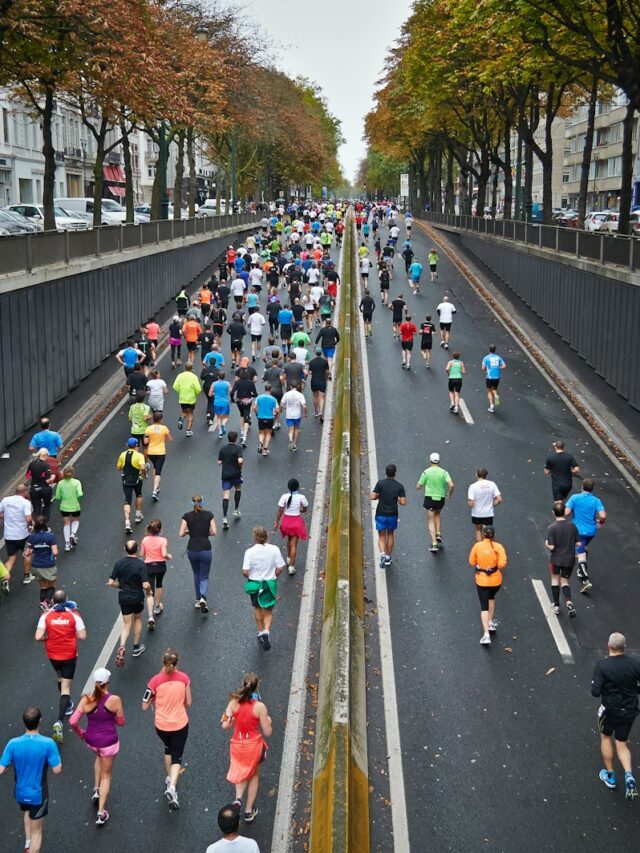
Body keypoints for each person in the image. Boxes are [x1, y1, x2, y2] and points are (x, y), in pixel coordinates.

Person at [0, 707, 62, 853]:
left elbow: (2, 769)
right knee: (37, 832)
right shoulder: (48, 744)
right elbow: (57, 769)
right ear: (40, 720)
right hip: (38, 795)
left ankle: (27, 844)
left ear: (24, 722)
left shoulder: (12, 743)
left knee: (27, 812)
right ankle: (32, 845)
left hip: (20, 793)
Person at [69, 668, 125, 826]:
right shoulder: (114, 700)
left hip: (92, 741)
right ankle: (101, 812)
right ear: (108, 683)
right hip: (108, 743)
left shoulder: (86, 699)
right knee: (107, 775)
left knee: (98, 757)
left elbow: (73, 721)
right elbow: (121, 722)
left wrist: (81, 733)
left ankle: (96, 789)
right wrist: (111, 717)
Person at [591, 632, 640, 800]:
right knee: (622, 743)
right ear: (624, 647)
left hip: (610, 710)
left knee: (605, 738)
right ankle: (629, 775)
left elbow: (595, 692)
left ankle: (610, 776)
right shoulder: (636, 664)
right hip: (630, 710)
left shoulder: (602, 666)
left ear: (608, 646)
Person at [34, 589, 86, 745]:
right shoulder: (73, 615)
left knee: (59, 676)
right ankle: (59, 721)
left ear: (52, 602)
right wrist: (69, 633)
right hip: (69, 654)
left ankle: (68, 705)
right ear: (67, 600)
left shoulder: (46, 616)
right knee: (66, 687)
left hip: (53, 654)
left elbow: (37, 637)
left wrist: (49, 637)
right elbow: (82, 636)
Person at [142, 649, 192, 811]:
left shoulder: (154, 682)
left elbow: (144, 705)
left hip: (161, 726)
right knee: (177, 757)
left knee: (168, 749)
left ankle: (170, 777)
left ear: (162, 662)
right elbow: (189, 702)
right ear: (177, 663)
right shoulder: (184, 679)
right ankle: (172, 788)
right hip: (180, 724)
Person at [221, 673, 272, 825]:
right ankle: (248, 811)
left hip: (237, 745)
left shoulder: (233, 703)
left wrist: (230, 719)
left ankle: (238, 799)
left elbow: (224, 725)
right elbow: (267, 732)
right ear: (257, 688)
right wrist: (268, 720)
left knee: (241, 771)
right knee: (253, 775)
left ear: (243, 685)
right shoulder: (260, 707)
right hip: (253, 746)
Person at [241, 527, 285, 651]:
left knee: (257, 607)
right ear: (267, 537)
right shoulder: (274, 549)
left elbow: (245, 571)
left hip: (255, 583)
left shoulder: (249, 552)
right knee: (268, 609)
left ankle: (260, 632)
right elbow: (281, 567)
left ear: (254, 537)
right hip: (269, 583)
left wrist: (251, 576)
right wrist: (274, 575)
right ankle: (266, 630)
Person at [108, 541, 151, 666]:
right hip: (137, 597)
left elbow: (111, 582)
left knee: (127, 623)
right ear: (137, 550)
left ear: (124, 549)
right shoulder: (141, 565)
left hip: (124, 597)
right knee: (137, 619)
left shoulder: (119, 563)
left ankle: (122, 646)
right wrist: (148, 591)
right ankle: (136, 647)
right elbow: (145, 584)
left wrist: (120, 586)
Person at [565, 478, 605, 593]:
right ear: (592, 489)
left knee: (580, 554)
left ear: (582, 486)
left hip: (578, 531)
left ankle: (585, 580)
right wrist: (600, 522)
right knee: (584, 547)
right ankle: (581, 570)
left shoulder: (575, 498)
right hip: (591, 532)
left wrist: (558, 513)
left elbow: (567, 512)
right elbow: (602, 515)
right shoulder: (596, 500)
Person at [468, 527, 507, 645]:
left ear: (484, 535)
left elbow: (471, 562)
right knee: (491, 597)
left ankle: (486, 635)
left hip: (482, 581)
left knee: (483, 606)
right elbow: (502, 563)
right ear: (493, 536)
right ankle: (490, 622)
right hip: (496, 581)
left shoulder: (477, 546)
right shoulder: (498, 547)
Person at [179, 496, 216, 612]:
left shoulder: (186, 516)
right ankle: (203, 598)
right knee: (204, 576)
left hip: (192, 549)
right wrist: (204, 532)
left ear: (191, 503)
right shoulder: (209, 515)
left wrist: (189, 531)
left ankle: (197, 598)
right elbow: (214, 532)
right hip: (205, 548)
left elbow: (181, 533)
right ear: (202, 502)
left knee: (196, 573)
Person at [545, 501, 579, 618]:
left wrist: (546, 543)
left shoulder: (552, 528)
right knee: (565, 581)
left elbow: (552, 546)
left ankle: (556, 605)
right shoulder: (572, 526)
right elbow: (578, 543)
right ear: (565, 512)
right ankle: (568, 601)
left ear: (553, 513)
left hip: (556, 560)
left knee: (555, 580)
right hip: (569, 560)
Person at [416, 452, 454, 553]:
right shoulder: (444, 472)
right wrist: (449, 493)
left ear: (430, 460)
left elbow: (418, 486)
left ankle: (434, 543)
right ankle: (438, 533)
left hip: (429, 497)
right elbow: (451, 484)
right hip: (440, 498)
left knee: (430, 520)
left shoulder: (426, 472)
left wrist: (423, 485)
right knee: (437, 513)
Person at [371, 464, 407, 568]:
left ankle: (382, 554)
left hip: (381, 514)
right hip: (392, 514)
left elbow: (373, 496)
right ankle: (388, 557)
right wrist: (398, 499)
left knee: (382, 536)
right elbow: (403, 502)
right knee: (390, 535)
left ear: (386, 473)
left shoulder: (380, 483)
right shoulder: (399, 486)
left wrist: (378, 496)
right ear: (395, 473)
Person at [0, 483, 34, 590]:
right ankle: (27, 576)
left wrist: (5, 517)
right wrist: (31, 525)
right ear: (25, 492)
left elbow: (0, 513)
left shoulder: (5, 500)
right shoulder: (25, 503)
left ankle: (4, 578)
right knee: (27, 554)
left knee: (11, 557)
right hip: (22, 535)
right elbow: (28, 519)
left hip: (9, 535)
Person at [140, 519, 172, 628]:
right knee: (159, 584)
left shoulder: (145, 540)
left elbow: (141, 553)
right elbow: (164, 554)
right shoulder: (163, 540)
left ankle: (150, 616)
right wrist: (168, 556)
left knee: (149, 591)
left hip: (149, 566)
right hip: (160, 566)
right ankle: (157, 606)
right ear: (160, 530)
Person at [274, 478, 308, 576]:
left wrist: (276, 522)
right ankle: (291, 567)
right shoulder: (301, 497)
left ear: (288, 487)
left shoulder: (284, 496)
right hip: (296, 522)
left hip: (286, 522)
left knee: (289, 540)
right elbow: (305, 509)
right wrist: (300, 510)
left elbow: (280, 510)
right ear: (298, 487)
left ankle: (288, 558)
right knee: (294, 544)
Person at [23, 516, 58, 612]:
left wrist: (35, 550)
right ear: (45, 525)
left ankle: (43, 605)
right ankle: (45, 603)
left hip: (35, 566)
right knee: (52, 585)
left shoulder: (31, 538)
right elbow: (55, 552)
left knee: (43, 586)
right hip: (48, 564)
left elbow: (27, 553)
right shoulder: (51, 536)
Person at [116, 437, 146, 534]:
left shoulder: (122, 455)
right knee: (139, 495)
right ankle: (138, 515)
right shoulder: (139, 455)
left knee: (127, 501)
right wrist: (144, 473)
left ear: (127, 445)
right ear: (137, 445)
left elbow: (118, 467)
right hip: (137, 479)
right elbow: (142, 467)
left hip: (126, 480)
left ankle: (127, 523)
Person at [467, 468, 502, 542]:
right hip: (488, 513)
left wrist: (471, 504)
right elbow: (499, 499)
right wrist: (492, 504)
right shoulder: (492, 484)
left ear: (476, 474)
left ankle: (480, 548)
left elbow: (470, 503)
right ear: (486, 475)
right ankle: (488, 547)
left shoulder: (473, 486)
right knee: (487, 531)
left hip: (477, 513)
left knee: (478, 530)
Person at [144, 411, 172, 501]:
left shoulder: (148, 429)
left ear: (153, 419)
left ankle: (157, 487)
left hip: (151, 452)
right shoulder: (164, 428)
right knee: (158, 472)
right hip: (160, 452)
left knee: (155, 467)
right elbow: (170, 439)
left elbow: (145, 442)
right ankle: (154, 491)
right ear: (160, 419)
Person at [218, 432, 244, 530]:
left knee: (226, 495)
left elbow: (219, 461)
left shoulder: (223, 449)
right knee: (238, 489)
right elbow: (240, 460)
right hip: (236, 474)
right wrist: (240, 466)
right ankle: (236, 509)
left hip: (225, 475)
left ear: (228, 438)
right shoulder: (238, 449)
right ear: (236, 438)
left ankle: (225, 518)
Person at [172, 363, 202, 437]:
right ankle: (188, 430)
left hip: (182, 397)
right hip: (191, 398)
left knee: (184, 411)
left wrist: (180, 391)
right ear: (191, 368)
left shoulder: (180, 375)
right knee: (191, 413)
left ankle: (181, 419)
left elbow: (175, 386)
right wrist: (195, 394)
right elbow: (198, 389)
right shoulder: (193, 376)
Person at [26, 449, 55, 520]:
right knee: (47, 507)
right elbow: (48, 480)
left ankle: (35, 526)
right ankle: (44, 526)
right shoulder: (46, 465)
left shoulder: (32, 464)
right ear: (45, 455)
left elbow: (27, 476)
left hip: (34, 489)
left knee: (36, 510)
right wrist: (53, 477)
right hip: (45, 489)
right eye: (48, 455)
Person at [253, 384, 279, 457]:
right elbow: (277, 410)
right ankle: (265, 449)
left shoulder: (259, 397)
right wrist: (275, 416)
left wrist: (257, 413)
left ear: (265, 389)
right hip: (270, 418)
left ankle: (261, 442)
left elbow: (254, 407)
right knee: (268, 433)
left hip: (261, 417)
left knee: (261, 432)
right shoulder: (273, 399)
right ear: (271, 390)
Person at [280, 382, 307, 452]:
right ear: (297, 386)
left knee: (290, 429)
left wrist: (286, 408)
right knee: (296, 429)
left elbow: (281, 404)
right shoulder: (300, 395)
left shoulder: (286, 394)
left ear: (291, 386)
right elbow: (304, 406)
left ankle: (290, 439)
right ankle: (294, 444)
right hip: (297, 415)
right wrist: (305, 413)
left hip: (289, 415)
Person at [481, 345, 506, 413]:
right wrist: (498, 368)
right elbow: (504, 366)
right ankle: (495, 395)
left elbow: (483, 368)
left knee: (489, 391)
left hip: (489, 377)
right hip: (497, 377)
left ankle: (491, 405)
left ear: (489, 349)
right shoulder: (498, 357)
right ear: (495, 350)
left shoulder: (486, 358)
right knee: (494, 389)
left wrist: (487, 368)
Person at [307, 347, 330, 420]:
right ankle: (321, 411)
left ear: (315, 353)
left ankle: (316, 411)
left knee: (315, 396)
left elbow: (310, 372)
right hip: (322, 380)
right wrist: (325, 378)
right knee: (322, 397)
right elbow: (327, 372)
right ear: (321, 353)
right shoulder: (325, 361)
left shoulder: (312, 362)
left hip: (314, 381)